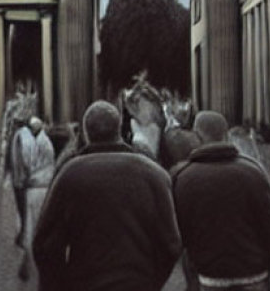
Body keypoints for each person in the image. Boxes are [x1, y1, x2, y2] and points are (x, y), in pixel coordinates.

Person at [32, 100, 182, 291]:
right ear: (119, 129)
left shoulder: (70, 174)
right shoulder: (155, 174)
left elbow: (45, 244)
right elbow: (172, 244)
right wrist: (153, 281)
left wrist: (59, 284)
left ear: (86, 133)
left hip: (86, 283)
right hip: (138, 283)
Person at [172, 110, 270, 291]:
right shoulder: (253, 172)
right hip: (253, 274)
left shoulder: (183, 177)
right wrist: (259, 258)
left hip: (210, 276)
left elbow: (179, 234)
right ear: (226, 135)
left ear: (197, 135)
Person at [18, 116, 56, 282]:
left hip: (37, 187)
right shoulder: (42, 141)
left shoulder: (38, 142)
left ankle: (31, 266)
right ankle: (30, 265)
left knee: (33, 228)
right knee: (34, 227)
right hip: (41, 186)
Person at [7, 115, 32, 247]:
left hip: (20, 179)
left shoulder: (21, 136)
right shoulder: (19, 135)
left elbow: (24, 157)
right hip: (18, 178)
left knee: (22, 208)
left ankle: (23, 234)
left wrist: (24, 175)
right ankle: (22, 233)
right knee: (21, 207)